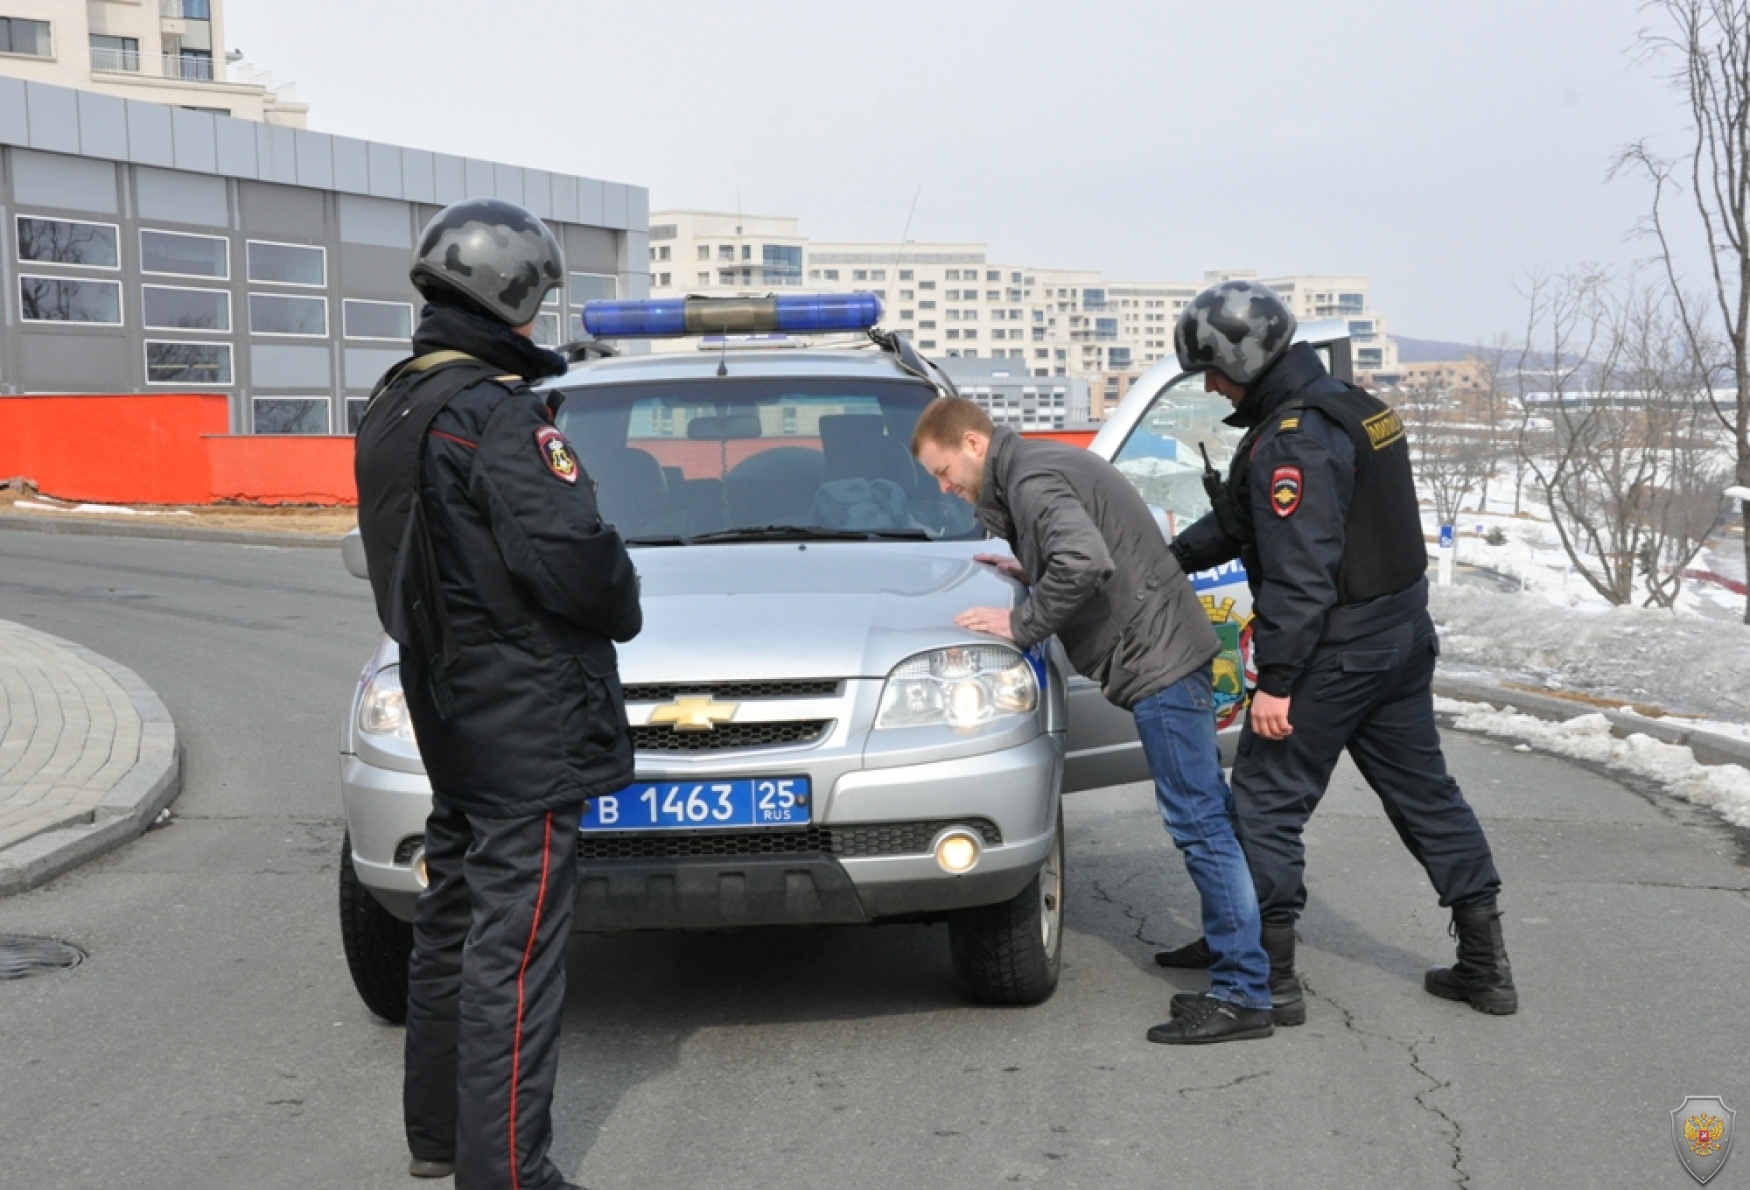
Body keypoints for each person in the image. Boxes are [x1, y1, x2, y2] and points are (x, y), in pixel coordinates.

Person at [354, 197, 643, 1188]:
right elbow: (570, 554)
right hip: (524, 710)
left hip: (447, 698)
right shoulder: (494, 412)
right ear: (509, 291)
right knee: (515, 952)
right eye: (536, 299)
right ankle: (508, 1171)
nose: (538, 321)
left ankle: (439, 1135)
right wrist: (622, 592)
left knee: (450, 916)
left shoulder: (397, 400)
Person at [1155, 279, 1516, 1024]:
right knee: (1425, 794)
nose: (1213, 386)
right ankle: (1486, 967)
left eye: (1214, 371)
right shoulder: (1352, 406)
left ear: (1249, 359)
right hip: (1399, 637)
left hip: (1335, 651)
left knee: (1262, 801)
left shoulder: (1296, 438)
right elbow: (1249, 524)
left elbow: (1299, 573)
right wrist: (1169, 559)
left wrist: (1277, 684)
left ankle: (1265, 979)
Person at [911, 397, 1275, 1045]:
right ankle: (1237, 952)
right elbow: (1087, 546)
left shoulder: (1028, 479)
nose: (944, 487)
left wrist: (1020, 621)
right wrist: (1029, 569)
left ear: (972, 442)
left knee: (1199, 823)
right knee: (1208, 816)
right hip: (1168, 648)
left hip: (1159, 660)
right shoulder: (1040, 465)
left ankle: (1244, 989)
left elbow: (1085, 560)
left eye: (944, 471)